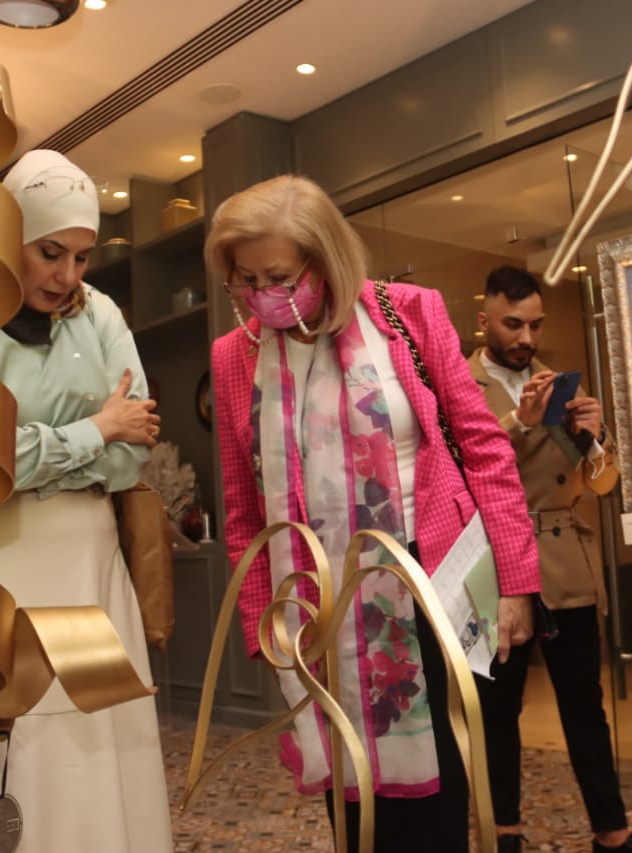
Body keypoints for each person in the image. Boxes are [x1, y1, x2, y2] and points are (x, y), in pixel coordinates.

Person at [207, 173, 541, 853]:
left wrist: (514, 582)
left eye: (279, 277)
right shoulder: (235, 355)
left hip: (427, 586)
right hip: (314, 604)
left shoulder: (409, 313)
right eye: (246, 279)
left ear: (324, 259)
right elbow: (244, 507)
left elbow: (484, 449)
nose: (262, 294)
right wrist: (262, 626)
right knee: (351, 799)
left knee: (442, 795)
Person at [0, 149, 171, 852]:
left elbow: (133, 451)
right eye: (50, 252)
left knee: (93, 733)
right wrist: (95, 430)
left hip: (90, 565)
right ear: (8, 238)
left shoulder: (102, 314)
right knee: (4, 740)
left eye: (83, 257)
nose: (67, 276)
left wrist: (35, 454)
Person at [470, 266, 632, 853]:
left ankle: (612, 832)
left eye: (536, 324)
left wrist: (594, 438)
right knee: (499, 709)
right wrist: (521, 423)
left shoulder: (560, 385)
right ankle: (504, 832)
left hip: (566, 560)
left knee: (584, 707)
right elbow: (466, 469)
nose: (526, 337)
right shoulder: (462, 384)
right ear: (485, 321)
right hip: (499, 564)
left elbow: (603, 483)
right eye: (512, 324)